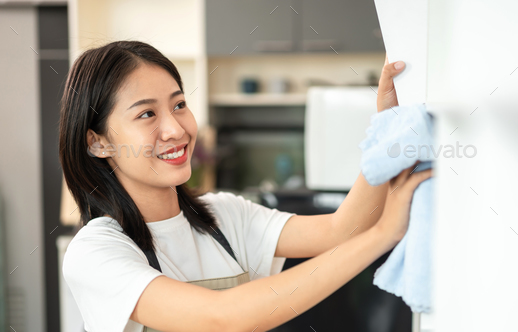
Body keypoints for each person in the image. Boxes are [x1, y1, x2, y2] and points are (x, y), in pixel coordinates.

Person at [59, 41, 430, 332]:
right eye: (147, 114)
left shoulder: (225, 217)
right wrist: (383, 235)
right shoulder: (95, 253)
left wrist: (387, 125)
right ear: (98, 142)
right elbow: (222, 318)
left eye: (179, 105)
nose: (175, 129)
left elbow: (341, 230)